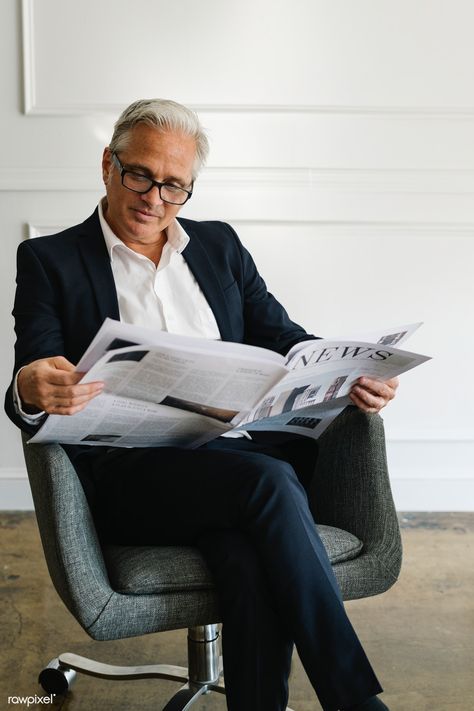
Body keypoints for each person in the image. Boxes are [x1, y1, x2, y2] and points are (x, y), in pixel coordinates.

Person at [5, 99, 398, 711]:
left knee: (244, 556)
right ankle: (353, 698)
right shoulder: (50, 261)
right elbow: (35, 364)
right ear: (107, 165)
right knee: (266, 483)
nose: (153, 198)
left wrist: (349, 373)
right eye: (139, 174)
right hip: (131, 480)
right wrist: (32, 386)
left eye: (174, 186)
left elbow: (284, 337)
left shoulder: (218, 247)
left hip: (227, 463)